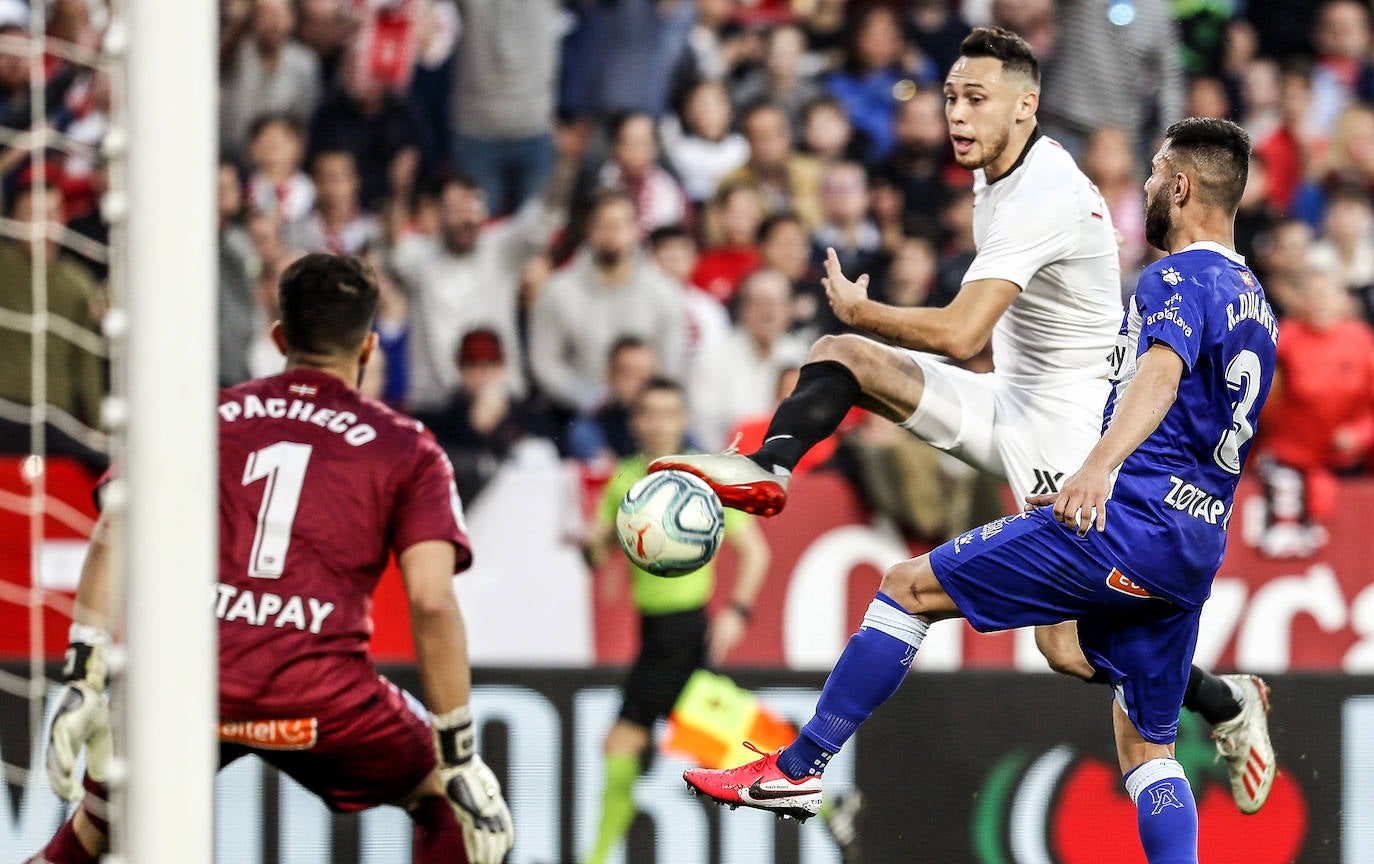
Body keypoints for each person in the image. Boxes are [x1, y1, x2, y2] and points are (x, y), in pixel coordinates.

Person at [652, 29, 1276, 814]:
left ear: (1027, 106)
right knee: (843, 355)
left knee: (1061, 646)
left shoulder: (1057, 196)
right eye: (950, 96)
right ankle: (768, 469)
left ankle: (1220, 701)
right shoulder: (1000, 182)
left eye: (975, 98)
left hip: (1075, 431)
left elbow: (961, 334)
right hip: (1017, 406)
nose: (956, 114)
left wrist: (866, 305)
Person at [31, 254, 514, 864]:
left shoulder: (200, 416)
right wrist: (458, 750)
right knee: (456, 806)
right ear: (367, 348)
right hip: (324, 698)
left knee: (87, 840)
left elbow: (112, 532)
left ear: (279, 337)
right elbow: (431, 599)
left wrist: (84, 672)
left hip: (191, 683)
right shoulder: (407, 447)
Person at [581, 377, 770, 864]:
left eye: (670, 412)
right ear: (636, 421)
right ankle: (827, 800)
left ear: (683, 420)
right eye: (650, 413)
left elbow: (755, 553)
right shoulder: (624, 479)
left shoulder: (703, 479)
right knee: (718, 734)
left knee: (623, 739)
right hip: (654, 629)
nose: (660, 422)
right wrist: (593, 545)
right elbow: (600, 551)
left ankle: (596, 858)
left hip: (683, 626)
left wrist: (738, 611)